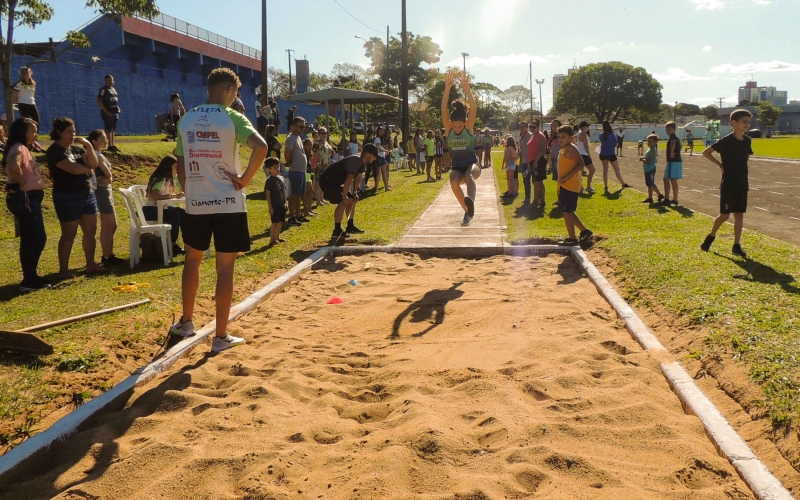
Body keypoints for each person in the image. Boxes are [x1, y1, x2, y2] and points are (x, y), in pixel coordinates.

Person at [170, 67, 267, 352]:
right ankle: (220, 336)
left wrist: (190, 191)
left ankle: (187, 322)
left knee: (192, 261)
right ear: (229, 91)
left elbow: (180, 162)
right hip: (228, 202)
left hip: (197, 203)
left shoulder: (186, 119)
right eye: (235, 93)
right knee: (225, 268)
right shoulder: (233, 117)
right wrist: (246, 179)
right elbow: (260, 147)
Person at [46, 117, 103, 279]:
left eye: (74, 132)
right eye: (69, 132)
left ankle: (90, 264)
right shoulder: (55, 151)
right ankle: (63, 269)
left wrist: (89, 145)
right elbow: (72, 168)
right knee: (69, 234)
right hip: (67, 196)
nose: (72, 135)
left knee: (91, 231)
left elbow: (93, 163)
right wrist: (87, 169)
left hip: (87, 194)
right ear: (59, 133)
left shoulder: (76, 149)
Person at [700, 109, 754, 257]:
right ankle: (711, 236)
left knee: (739, 215)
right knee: (725, 215)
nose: (747, 124)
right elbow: (706, 152)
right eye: (744, 121)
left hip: (742, 182)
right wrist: (720, 165)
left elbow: (746, 157)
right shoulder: (726, 141)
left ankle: (736, 245)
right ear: (734, 123)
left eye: (749, 122)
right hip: (729, 183)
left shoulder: (748, 141)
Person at [4, 117, 48, 290]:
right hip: (25, 197)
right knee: (37, 238)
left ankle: (31, 277)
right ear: (23, 133)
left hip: (28, 197)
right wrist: (22, 182)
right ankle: (29, 279)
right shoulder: (19, 148)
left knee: (30, 238)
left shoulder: (22, 148)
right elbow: (13, 164)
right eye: (33, 131)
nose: (35, 134)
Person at [441, 73, 480, 227]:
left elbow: (474, 109)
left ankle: (471, 201)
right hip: (457, 166)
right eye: (455, 126)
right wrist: (447, 88)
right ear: (450, 123)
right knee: (453, 180)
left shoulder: (468, 127)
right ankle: (467, 211)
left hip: (472, 165)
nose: (457, 129)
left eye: (460, 126)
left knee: (468, 175)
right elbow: (443, 109)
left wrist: (467, 88)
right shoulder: (449, 129)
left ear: (465, 123)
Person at [320, 144, 377, 238]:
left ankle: (350, 225)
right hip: (327, 181)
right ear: (369, 154)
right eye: (374, 156)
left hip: (335, 182)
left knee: (352, 199)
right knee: (343, 201)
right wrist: (344, 195)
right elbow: (349, 178)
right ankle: (337, 230)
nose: (374, 159)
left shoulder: (362, 162)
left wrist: (355, 193)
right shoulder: (356, 160)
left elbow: (358, 177)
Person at [88, 130, 124, 266]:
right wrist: (109, 178)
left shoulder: (98, 155)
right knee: (110, 224)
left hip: (104, 190)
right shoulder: (97, 155)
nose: (106, 141)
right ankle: (107, 256)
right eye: (102, 139)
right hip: (102, 191)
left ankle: (108, 254)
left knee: (109, 225)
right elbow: (108, 174)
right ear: (94, 141)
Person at [556, 125, 592, 246]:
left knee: (566, 212)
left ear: (571, 137)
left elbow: (581, 163)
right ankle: (585, 231)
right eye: (559, 137)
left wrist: (567, 176)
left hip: (570, 185)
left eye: (563, 137)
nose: (560, 139)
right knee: (568, 211)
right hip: (564, 185)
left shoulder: (571, 148)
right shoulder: (563, 149)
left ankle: (572, 238)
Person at [142, 155, 185, 256]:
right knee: (175, 214)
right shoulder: (159, 179)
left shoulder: (173, 178)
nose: (177, 169)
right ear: (168, 167)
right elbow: (155, 195)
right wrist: (172, 195)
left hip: (164, 208)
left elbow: (183, 187)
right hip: (150, 209)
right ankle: (172, 244)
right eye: (175, 167)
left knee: (183, 213)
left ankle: (187, 243)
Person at [12, 67, 44, 153]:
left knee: (36, 121)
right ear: (22, 74)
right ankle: (26, 142)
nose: (27, 73)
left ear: (31, 73)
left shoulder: (33, 83)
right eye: (25, 72)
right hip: (23, 103)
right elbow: (14, 95)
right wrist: (19, 103)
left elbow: (32, 94)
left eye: (28, 72)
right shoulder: (19, 83)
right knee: (26, 123)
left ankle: (35, 141)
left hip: (32, 103)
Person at [285, 116, 308, 227]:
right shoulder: (291, 138)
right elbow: (287, 153)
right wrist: (289, 162)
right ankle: (291, 217)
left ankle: (298, 215)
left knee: (299, 195)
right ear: (294, 126)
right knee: (294, 195)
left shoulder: (298, 137)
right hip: (295, 171)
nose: (302, 129)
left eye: (304, 126)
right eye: (300, 127)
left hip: (301, 170)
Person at [598, 120, 631, 194]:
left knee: (605, 170)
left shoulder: (601, 135)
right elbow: (616, 144)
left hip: (603, 154)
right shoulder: (612, 135)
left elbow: (603, 143)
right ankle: (623, 183)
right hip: (611, 153)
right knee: (617, 170)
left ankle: (606, 186)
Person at [263, 157, 287, 245]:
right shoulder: (269, 181)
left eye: (278, 166)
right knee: (275, 222)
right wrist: (270, 207)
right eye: (274, 167)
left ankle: (277, 237)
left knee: (280, 222)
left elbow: (284, 190)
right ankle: (272, 239)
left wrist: (285, 202)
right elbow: (268, 194)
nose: (277, 169)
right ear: (269, 169)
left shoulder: (281, 178)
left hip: (282, 204)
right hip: (275, 205)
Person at [97, 75, 121, 153]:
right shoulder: (103, 90)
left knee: (113, 129)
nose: (111, 82)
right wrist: (106, 111)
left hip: (115, 112)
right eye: (109, 80)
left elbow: (115, 100)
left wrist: (118, 108)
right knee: (108, 129)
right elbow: (99, 101)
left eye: (112, 80)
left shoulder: (113, 90)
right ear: (105, 81)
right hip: (108, 113)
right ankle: (109, 145)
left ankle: (112, 145)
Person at [527, 121, 548, 208]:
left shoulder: (540, 136)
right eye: (530, 127)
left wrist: (535, 161)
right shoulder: (533, 135)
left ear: (538, 127)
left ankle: (536, 201)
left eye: (534, 127)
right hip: (533, 161)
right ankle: (541, 200)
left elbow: (540, 149)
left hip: (538, 161)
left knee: (537, 182)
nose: (531, 128)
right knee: (537, 181)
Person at [638, 134, 664, 204]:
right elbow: (648, 158)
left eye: (651, 141)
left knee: (649, 183)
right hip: (648, 168)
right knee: (651, 183)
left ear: (655, 142)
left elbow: (650, 161)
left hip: (650, 168)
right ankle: (659, 195)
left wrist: (642, 160)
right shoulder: (650, 149)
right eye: (648, 141)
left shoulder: (652, 150)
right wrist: (643, 157)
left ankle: (650, 198)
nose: (649, 143)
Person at [663, 121, 683, 206]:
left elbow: (673, 143)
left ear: (674, 129)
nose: (668, 131)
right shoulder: (675, 137)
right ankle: (674, 199)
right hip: (676, 161)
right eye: (667, 129)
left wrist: (671, 152)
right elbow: (680, 146)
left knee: (667, 179)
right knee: (672, 180)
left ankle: (667, 199)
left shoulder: (673, 137)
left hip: (673, 162)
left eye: (670, 129)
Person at [313, 127, 334, 206]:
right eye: (322, 133)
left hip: (326, 165)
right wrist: (318, 160)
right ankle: (317, 200)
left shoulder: (326, 143)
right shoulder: (316, 143)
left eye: (325, 133)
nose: (324, 135)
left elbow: (331, 152)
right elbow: (312, 153)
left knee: (323, 183)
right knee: (318, 183)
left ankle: (321, 198)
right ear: (318, 134)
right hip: (319, 166)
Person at [576, 121, 596, 194]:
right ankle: (588, 186)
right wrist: (589, 155)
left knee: (580, 172)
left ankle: (580, 187)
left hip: (579, 154)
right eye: (587, 126)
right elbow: (586, 146)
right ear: (583, 127)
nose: (588, 127)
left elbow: (573, 139)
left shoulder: (578, 133)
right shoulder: (584, 133)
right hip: (584, 154)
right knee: (592, 170)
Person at [517, 121, 533, 204]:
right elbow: (521, 152)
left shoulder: (531, 136)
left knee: (535, 181)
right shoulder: (520, 139)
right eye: (520, 127)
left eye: (523, 127)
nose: (521, 129)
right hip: (524, 163)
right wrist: (520, 164)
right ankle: (527, 197)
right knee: (526, 180)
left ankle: (539, 198)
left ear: (527, 127)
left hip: (532, 162)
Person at [373, 126, 391, 191]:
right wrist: (385, 150)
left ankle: (376, 188)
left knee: (379, 173)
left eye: (382, 131)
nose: (381, 132)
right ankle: (386, 187)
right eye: (380, 131)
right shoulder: (378, 139)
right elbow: (378, 148)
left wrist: (384, 150)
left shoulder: (379, 138)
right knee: (383, 173)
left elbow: (380, 148)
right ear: (377, 132)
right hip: (380, 157)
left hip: (379, 156)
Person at [301, 138, 316, 217]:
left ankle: (309, 209)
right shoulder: (303, 154)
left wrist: (313, 159)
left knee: (310, 192)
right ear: (304, 145)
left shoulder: (311, 154)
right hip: (305, 173)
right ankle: (306, 211)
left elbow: (313, 166)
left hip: (309, 173)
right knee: (306, 192)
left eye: (311, 145)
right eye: (308, 145)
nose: (310, 147)